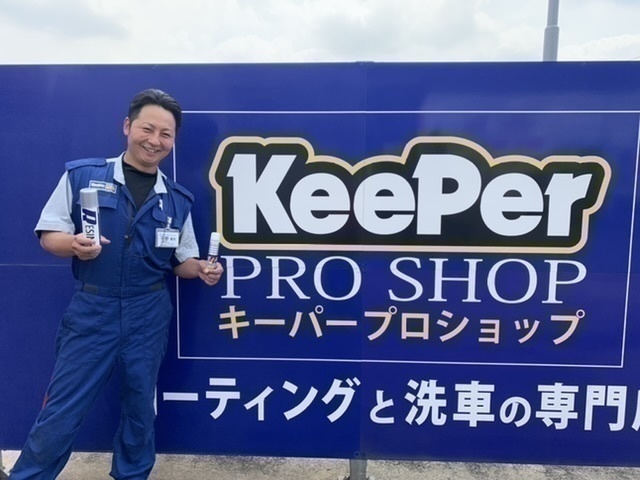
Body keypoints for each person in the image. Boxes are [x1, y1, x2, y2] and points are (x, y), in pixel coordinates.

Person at [9, 89, 223, 480]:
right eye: (147, 129)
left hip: (148, 312)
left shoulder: (177, 200)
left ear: (174, 140)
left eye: (166, 134)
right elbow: (49, 234)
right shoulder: (82, 176)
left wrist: (202, 271)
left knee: (140, 407)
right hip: (93, 310)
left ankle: (132, 475)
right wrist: (73, 244)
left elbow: (182, 261)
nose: (155, 141)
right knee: (63, 406)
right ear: (127, 126)